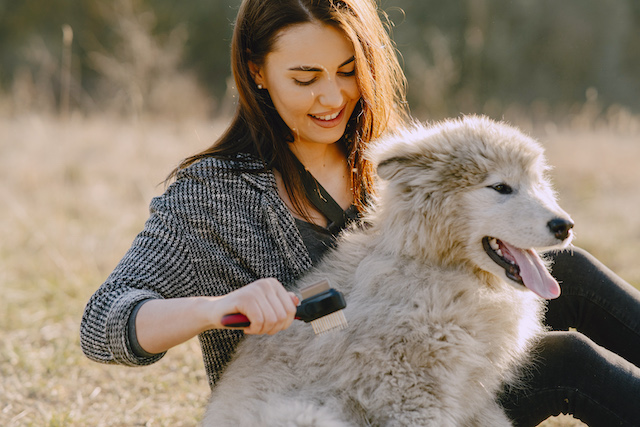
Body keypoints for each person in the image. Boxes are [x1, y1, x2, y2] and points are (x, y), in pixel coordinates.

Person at [80, 0, 640, 425]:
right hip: (329, 398)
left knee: (568, 272)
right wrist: (220, 308)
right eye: (305, 78)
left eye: (348, 70)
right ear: (256, 72)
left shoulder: (389, 159)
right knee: (568, 360)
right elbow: (104, 323)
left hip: (432, 372)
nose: (332, 98)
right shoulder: (214, 197)